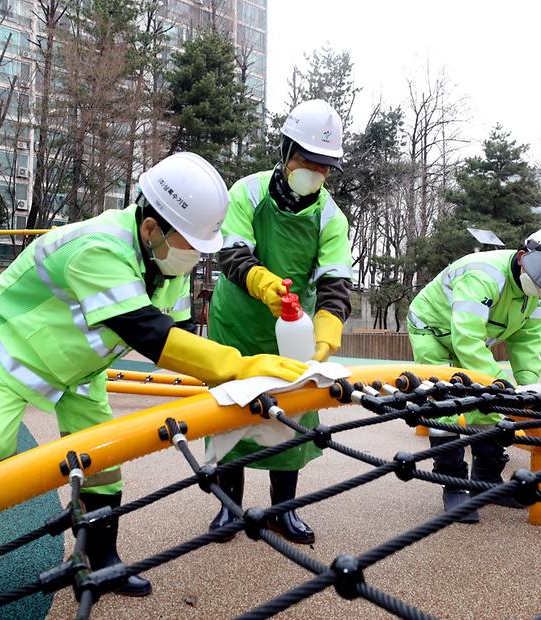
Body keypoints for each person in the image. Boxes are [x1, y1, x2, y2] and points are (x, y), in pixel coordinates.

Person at [0, 152, 309, 612]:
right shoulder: (101, 247)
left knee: (103, 455)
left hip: (80, 365)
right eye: (188, 242)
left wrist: (232, 382)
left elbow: (178, 339)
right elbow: (150, 335)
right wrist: (242, 366)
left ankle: (102, 559)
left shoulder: (168, 264)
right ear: (151, 227)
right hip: (13, 348)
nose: (194, 254)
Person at [206, 99, 353, 544]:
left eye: (325, 167)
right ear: (287, 151)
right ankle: (229, 509)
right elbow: (231, 252)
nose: (316, 173)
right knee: (231, 413)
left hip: (294, 328)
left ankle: (281, 511)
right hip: (237, 320)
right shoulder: (247, 192)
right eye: (309, 161)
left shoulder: (330, 216)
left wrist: (326, 332)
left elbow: (334, 284)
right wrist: (264, 283)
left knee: (292, 414)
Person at [407, 226, 541, 523]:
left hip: (469, 338)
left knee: (490, 410)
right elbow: (467, 340)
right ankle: (455, 486)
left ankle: (486, 482)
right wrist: (500, 385)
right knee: (445, 403)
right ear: (525, 256)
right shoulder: (484, 275)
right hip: (432, 332)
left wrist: (528, 386)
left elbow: (526, 343)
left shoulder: (539, 293)